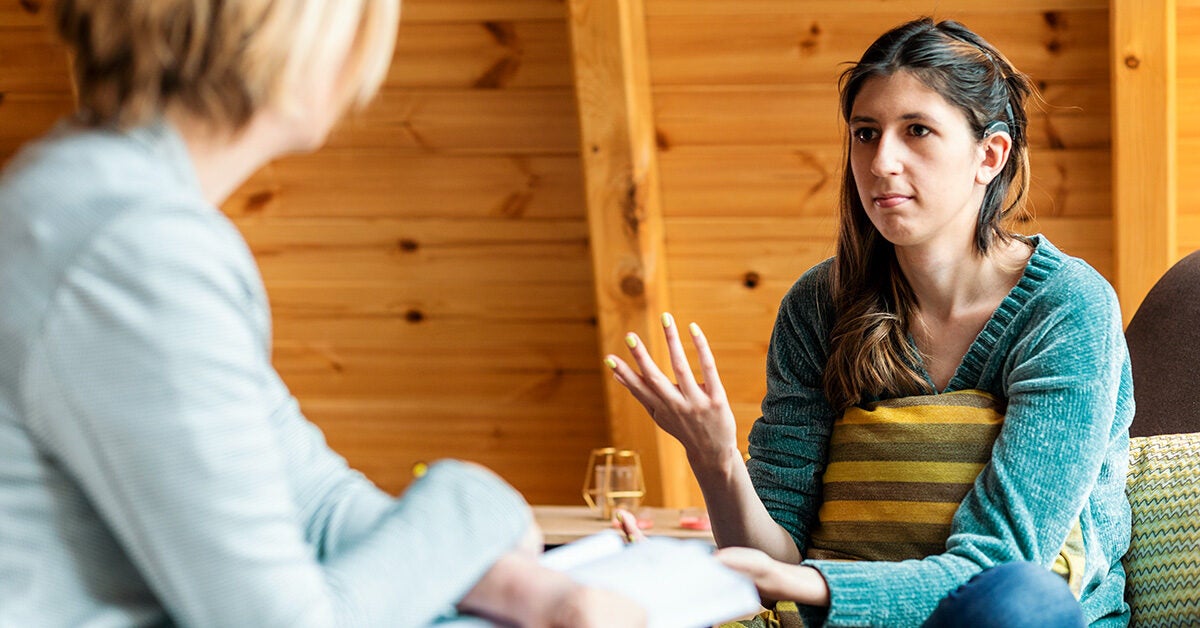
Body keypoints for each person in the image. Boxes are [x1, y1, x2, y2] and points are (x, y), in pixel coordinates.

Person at [0, 1, 644, 626]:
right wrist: (472, 505)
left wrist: (524, 589)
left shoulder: (95, 198)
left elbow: (316, 503)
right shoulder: (132, 248)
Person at [606, 17, 1132, 627]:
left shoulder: (1067, 306)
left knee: (1017, 600)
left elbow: (1001, 563)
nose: (882, 161)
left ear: (990, 154)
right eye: (865, 133)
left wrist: (808, 583)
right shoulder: (816, 306)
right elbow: (774, 560)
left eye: (917, 131)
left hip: (1010, 617)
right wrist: (715, 456)